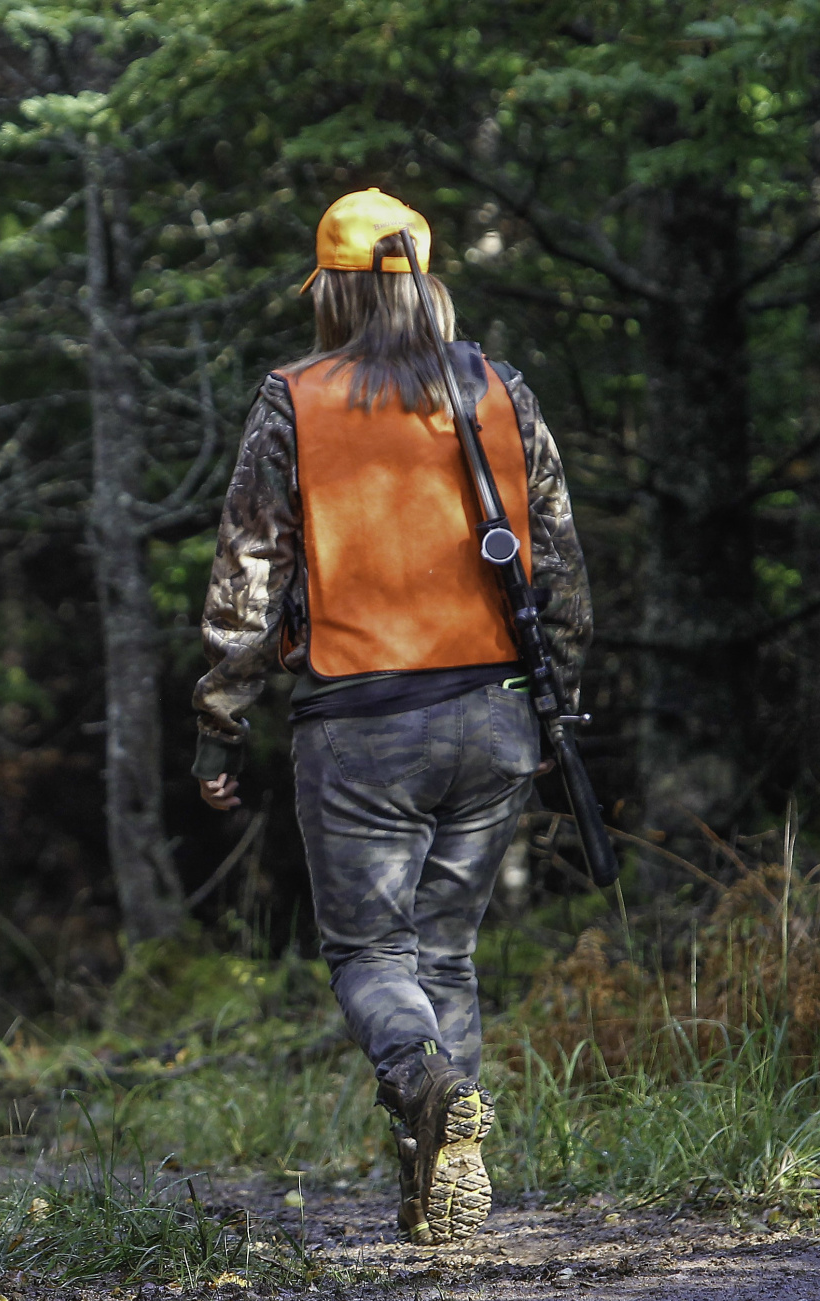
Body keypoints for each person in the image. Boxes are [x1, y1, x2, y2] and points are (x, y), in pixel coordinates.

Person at [191, 189, 591, 1246]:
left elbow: (247, 570)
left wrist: (219, 716)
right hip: (495, 710)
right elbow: (555, 564)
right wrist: (559, 707)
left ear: (329, 289)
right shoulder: (499, 390)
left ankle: (423, 1083)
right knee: (444, 955)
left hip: (361, 720)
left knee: (370, 957)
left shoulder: (294, 398)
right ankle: (439, 1187)